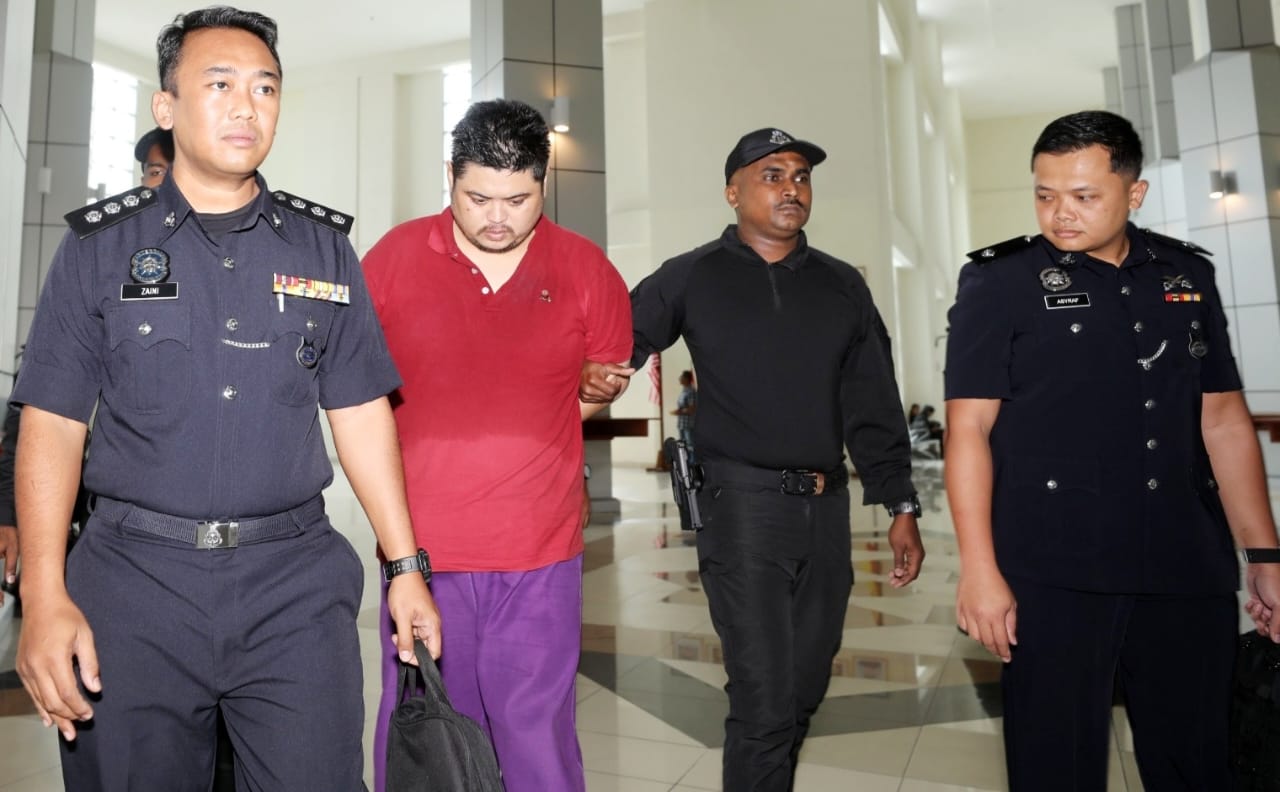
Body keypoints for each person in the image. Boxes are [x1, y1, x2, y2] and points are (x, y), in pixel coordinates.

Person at [11, 7, 440, 789]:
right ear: (166, 105)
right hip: (134, 587)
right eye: (220, 85)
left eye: (265, 88)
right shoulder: (98, 249)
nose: (247, 106)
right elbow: (54, 422)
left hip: (294, 587)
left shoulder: (322, 249)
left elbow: (359, 412)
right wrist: (43, 597)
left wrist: (405, 565)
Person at [944, 109, 1280, 791]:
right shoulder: (1000, 282)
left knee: (1197, 761)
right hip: (1054, 567)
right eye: (1045, 194)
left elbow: (1222, 419)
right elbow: (968, 429)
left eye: (1083, 195)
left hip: (1184, 563)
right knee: (1055, 765)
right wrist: (979, 569)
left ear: (1134, 192)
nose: (1060, 213)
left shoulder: (1185, 274)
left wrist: (1265, 556)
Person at [588, 127, 925, 792]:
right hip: (740, 510)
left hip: (826, 511)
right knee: (764, 699)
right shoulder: (692, 275)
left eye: (801, 176)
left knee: (805, 685)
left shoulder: (841, 285)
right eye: (772, 175)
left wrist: (901, 502)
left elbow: (874, 400)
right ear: (733, 192)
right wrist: (596, 372)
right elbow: (617, 340)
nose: (791, 188)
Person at [362, 98, 633, 792]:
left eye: (518, 200)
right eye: (477, 198)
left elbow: (597, 384)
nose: (497, 218)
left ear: (545, 182)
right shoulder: (392, 259)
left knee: (537, 735)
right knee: (432, 734)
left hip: (540, 549)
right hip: (424, 551)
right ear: (450, 176)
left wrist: (585, 392)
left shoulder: (586, 268)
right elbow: (357, 395)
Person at [672, 369, 697, 461]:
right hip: (682, 423)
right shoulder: (684, 391)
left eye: (681, 377)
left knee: (690, 445)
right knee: (683, 446)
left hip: (689, 424)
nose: (679, 379)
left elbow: (692, 408)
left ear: (686, 379)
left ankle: (693, 463)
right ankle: (686, 464)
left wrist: (679, 412)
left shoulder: (691, 391)